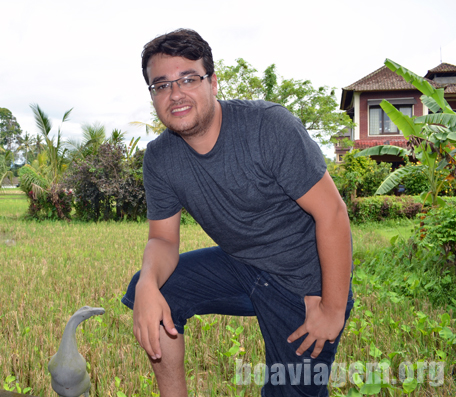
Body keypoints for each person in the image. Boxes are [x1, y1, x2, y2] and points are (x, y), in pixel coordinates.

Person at [122, 28, 353, 397]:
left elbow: (333, 215)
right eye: (161, 85)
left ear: (213, 83)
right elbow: (162, 239)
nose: (175, 93)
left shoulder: (267, 127)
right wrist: (149, 283)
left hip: (303, 282)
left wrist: (333, 306)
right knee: (149, 288)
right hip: (241, 265)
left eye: (188, 79)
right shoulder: (161, 158)